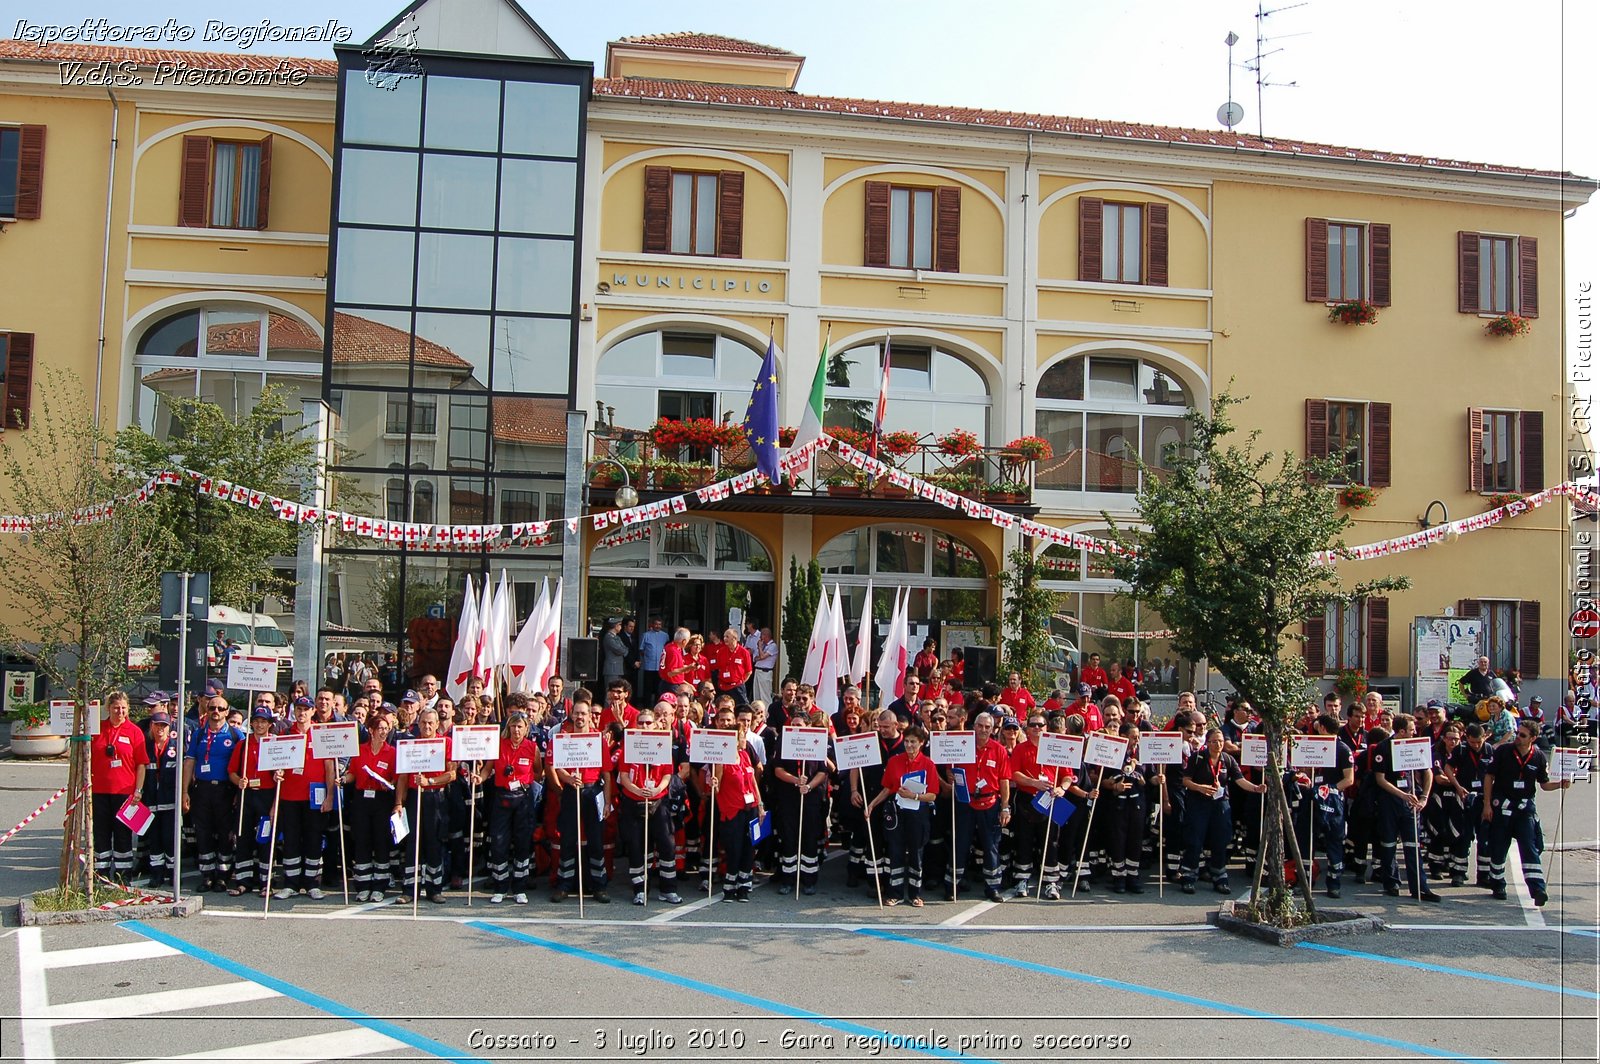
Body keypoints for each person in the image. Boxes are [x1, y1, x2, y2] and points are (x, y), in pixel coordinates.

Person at [1482, 718, 1570, 905]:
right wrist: (1487, 805)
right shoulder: (1504, 751)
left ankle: (1538, 889)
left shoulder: (1538, 757)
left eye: (1522, 735)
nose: (1518, 738)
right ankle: (1497, 882)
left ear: (1533, 738)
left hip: (1524, 809)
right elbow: (1489, 776)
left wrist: (1560, 785)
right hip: (1502, 806)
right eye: (1517, 733)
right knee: (1498, 847)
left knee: (1530, 847)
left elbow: (1544, 784)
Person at [1178, 726, 1263, 895]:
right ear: (1207, 743)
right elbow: (1185, 780)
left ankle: (1219, 876)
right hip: (1199, 803)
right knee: (1195, 839)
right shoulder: (1198, 758)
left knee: (1221, 839)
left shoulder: (1228, 760)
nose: (1218, 745)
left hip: (1220, 804)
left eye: (1221, 741)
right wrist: (1199, 787)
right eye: (1214, 741)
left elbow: (1240, 780)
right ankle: (1188, 876)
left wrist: (1256, 788)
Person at [615, 705, 681, 906]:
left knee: (666, 844)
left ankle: (668, 889)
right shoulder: (629, 744)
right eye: (641, 722)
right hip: (634, 800)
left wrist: (657, 789)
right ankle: (640, 889)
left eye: (648, 722)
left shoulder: (662, 743)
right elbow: (623, 775)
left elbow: (668, 772)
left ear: (655, 724)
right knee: (636, 846)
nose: (644, 725)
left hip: (658, 800)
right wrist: (637, 791)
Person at [1370, 714, 1440, 902]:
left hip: (1410, 802)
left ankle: (1420, 887)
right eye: (1411, 730)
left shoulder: (1416, 746)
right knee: (1389, 843)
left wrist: (1424, 797)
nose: (1414, 732)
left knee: (1413, 844)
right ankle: (1391, 882)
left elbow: (1428, 772)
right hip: (1390, 801)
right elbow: (1380, 779)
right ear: (1401, 731)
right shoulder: (1383, 748)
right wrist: (1401, 795)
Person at [182, 689, 246, 892]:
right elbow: (190, 762)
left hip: (225, 790)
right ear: (206, 711)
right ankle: (207, 875)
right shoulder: (199, 733)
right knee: (203, 833)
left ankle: (223, 875)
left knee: (226, 833)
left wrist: (238, 793)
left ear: (227, 712)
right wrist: (184, 791)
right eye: (212, 708)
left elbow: (243, 765)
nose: (216, 711)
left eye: (220, 708)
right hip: (202, 790)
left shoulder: (236, 735)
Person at [274, 696, 337, 900]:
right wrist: (277, 774)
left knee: (313, 839)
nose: (302, 713)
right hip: (290, 797)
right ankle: (291, 883)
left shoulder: (321, 734)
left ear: (312, 712)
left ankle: (312, 882)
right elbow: (277, 765)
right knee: (291, 840)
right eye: (299, 709)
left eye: (306, 709)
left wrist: (329, 796)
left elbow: (329, 767)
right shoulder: (285, 734)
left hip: (315, 798)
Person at [871, 724, 940, 906]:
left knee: (916, 853)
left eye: (913, 742)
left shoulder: (928, 764)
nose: (909, 746)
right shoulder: (894, 761)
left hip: (918, 814)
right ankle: (895, 893)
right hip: (898, 813)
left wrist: (914, 795)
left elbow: (933, 794)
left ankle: (915, 893)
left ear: (921, 743)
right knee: (896, 851)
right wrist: (871, 805)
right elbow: (887, 788)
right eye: (907, 741)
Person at [947, 711, 1011, 902]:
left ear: (993, 729)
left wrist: (1005, 807)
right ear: (973, 726)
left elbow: (1004, 780)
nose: (983, 730)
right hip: (965, 802)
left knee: (991, 846)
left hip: (990, 803)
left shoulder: (999, 750)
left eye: (987, 727)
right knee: (960, 844)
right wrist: (950, 774)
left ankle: (992, 887)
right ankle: (952, 884)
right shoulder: (962, 745)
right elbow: (950, 765)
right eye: (980, 726)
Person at [549, 701, 610, 903]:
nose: (580, 717)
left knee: (595, 839)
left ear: (590, 715)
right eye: (577, 713)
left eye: (584, 713)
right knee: (567, 838)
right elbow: (557, 768)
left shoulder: (599, 739)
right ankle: (564, 884)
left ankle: (598, 885)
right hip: (571, 790)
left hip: (593, 791)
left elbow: (607, 774)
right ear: (572, 715)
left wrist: (607, 802)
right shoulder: (563, 739)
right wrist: (568, 779)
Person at [480, 711, 540, 905]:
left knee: (523, 842)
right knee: (499, 841)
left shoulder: (532, 747)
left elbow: (538, 771)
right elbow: (487, 770)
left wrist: (525, 783)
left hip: (523, 799)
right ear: (508, 727)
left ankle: (520, 887)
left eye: (520, 726)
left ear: (526, 729)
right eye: (513, 726)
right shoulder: (497, 746)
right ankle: (500, 886)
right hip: (502, 797)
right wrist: (478, 778)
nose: (516, 730)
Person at [1008, 712, 1068, 899]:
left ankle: (1051, 882)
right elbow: (1013, 773)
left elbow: (1067, 775)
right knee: (1024, 839)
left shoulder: (1056, 748)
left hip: (1051, 799)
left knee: (1050, 841)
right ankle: (1022, 879)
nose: (1037, 728)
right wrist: (1033, 783)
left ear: (1046, 727)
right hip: (1027, 799)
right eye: (1033, 725)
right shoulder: (1020, 749)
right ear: (1027, 728)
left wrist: (1062, 788)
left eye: (1040, 725)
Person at [772, 701, 830, 895]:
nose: (796, 728)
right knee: (789, 837)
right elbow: (777, 770)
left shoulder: (817, 741)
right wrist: (796, 780)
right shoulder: (783, 741)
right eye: (793, 725)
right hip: (789, 797)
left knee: (808, 838)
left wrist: (808, 785)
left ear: (808, 727)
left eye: (800, 725)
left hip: (810, 797)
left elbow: (822, 771)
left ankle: (809, 879)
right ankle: (788, 878)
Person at [91, 692, 151, 882]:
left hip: (124, 792)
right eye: (116, 707)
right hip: (99, 791)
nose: (120, 711)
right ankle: (101, 870)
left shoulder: (134, 731)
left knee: (123, 833)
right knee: (101, 832)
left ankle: (123, 872)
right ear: (108, 708)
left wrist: (138, 790)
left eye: (124, 708)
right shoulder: (97, 729)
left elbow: (141, 764)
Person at [709, 703, 764, 901]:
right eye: (741, 738)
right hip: (732, 811)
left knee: (749, 848)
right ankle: (729, 886)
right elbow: (716, 787)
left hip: (749, 808)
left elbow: (752, 782)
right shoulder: (722, 760)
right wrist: (714, 782)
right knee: (734, 848)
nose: (744, 741)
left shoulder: (745, 756)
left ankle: (744, 885)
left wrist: (760, 805)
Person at [343, 714, 398, 901]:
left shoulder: (391, 752)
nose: (384, 732)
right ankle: (363, 884)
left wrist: (388, 783)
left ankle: (380, 886)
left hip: (381, 799)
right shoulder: (359, 750)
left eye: (386, 728)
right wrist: (343, 779)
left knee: (381, 841)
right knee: (362, 840)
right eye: (380, 728)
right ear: (371, 730)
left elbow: (396, 778)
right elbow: (352, 774)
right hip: (361, 800)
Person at [227, 706, 278, 896]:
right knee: (243, 837)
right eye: (256, 721)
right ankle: (243, 881)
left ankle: (267, 882)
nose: (259, 724)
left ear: (269, 724)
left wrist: (278, 775)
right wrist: (238, 781)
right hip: (247, 795)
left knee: (265, 839)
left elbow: (283, 771)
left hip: (267, 795)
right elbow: (231, 771)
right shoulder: (243, 744)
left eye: (263, 721)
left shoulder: (275, 743)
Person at [139, 707, 180, 888]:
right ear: (151, 726)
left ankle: (172, 872)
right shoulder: (146, 747)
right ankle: (157, 873)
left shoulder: (177, 748)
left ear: (169, 727)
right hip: (151, 802)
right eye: (157, 725)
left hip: (170, 803)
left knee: (170, 839)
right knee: (154, 840)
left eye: (164, 725)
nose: (160, 729)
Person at [708, 627, 753, 705]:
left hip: (737, 687)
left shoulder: (744, 652)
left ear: (734, 638)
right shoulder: (721, 652)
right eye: (724, 636)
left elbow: (749, 671)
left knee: (742, 707)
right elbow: (718, 668)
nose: (725, 639)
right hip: (723, 687)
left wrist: (740, 682)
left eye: (727, 637)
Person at [751, 626, 779, 707]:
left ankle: (767, 715)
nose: (760, 638)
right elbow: (755, 658)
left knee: (765, 696)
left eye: (761, 636)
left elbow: (762, 656)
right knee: (757, 695)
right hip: (758, 671)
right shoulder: (764, 645)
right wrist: (760, 655)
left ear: (766, 636)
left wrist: (760, 648)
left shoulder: (773, 646)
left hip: (765, 672)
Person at [600, 617, 628, 685]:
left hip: (618, 668)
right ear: (616, 626)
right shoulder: (608, 637)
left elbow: (625, 648)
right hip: (611, 669)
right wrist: (624, 651)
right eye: (620, 625)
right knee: (610, 690)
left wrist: (624, 650)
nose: (621, 627)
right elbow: (619, 649)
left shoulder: (617, 637)